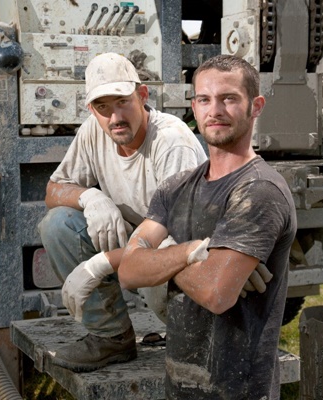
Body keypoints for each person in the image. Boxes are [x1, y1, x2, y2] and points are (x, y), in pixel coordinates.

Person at [118, 54, 297, 399]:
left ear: (256, 106)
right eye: (204, 99)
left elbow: (216, 293)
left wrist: (162, 260)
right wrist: (188, 252)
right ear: (194, 106)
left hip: (239, 390)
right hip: (180, 385)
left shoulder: (259, 191)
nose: (214, 110)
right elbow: (128, 270)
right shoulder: (176, 187)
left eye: (229, 98)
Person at [38, 52, 207, 372]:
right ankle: (111, 339)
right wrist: (91, 198)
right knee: (59, 224)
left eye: (122, 102)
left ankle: (202, 337)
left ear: (142, 96)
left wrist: (99, 266)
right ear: (91, 109)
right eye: (102, 107)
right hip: (140, 242)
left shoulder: (171, 140)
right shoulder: (92, 131)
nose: (114, 116)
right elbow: (53, 190)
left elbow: (183, 234)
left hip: (184, 247)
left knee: (162, 291)